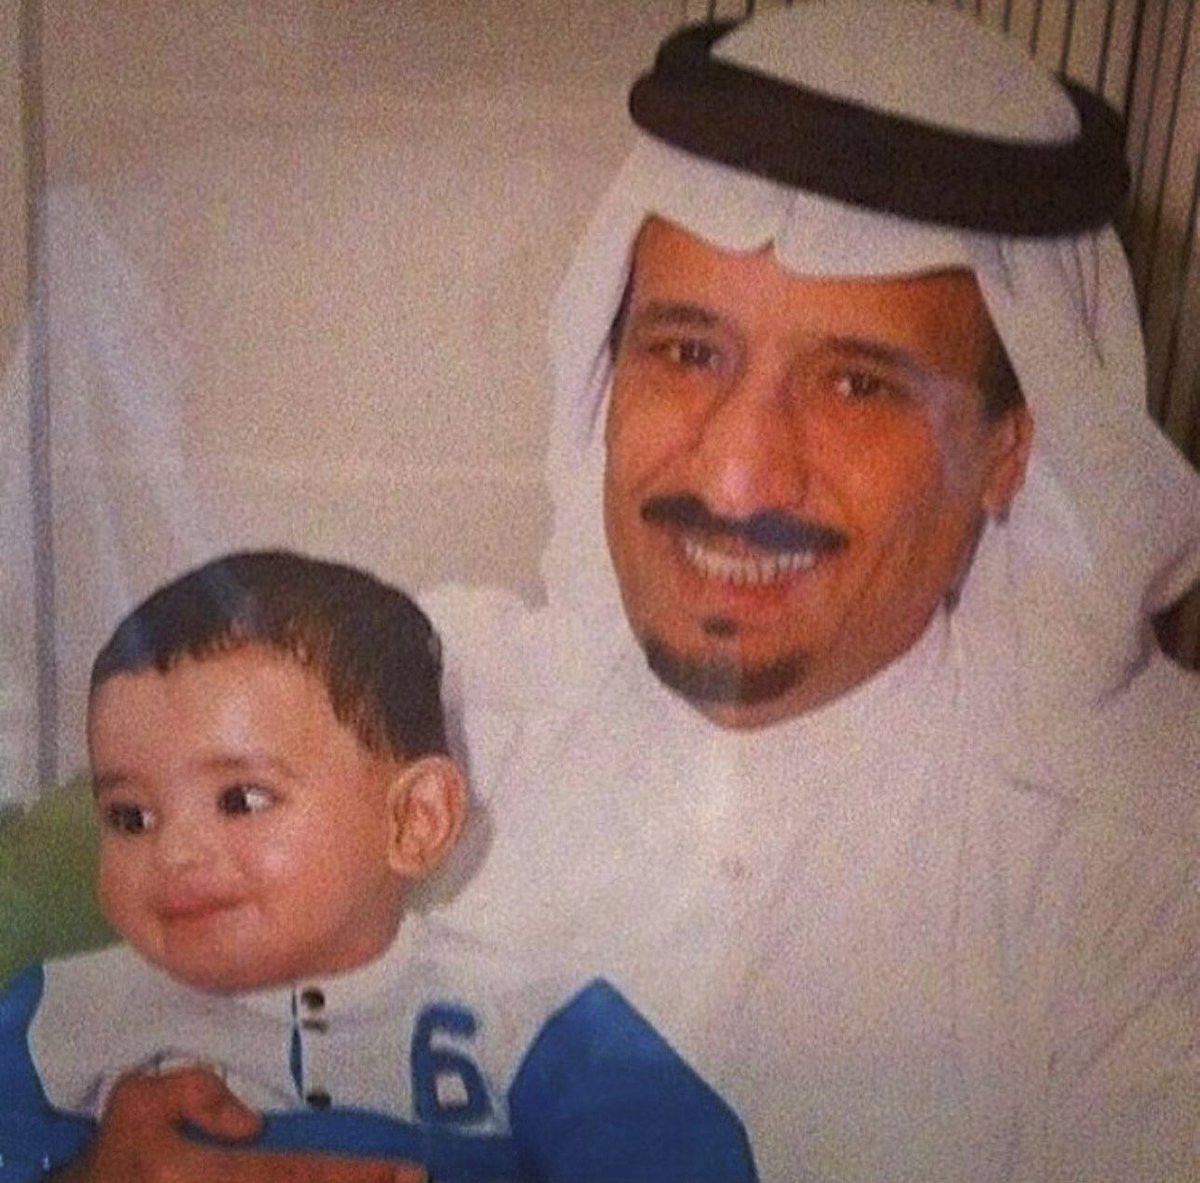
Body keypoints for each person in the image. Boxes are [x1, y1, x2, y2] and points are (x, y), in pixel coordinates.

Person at [18, 2, 1200, 1180]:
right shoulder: (397, 695)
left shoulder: (1144, 864)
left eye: (856, 386)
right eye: (687, 352)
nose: (736, 477)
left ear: (1006, 450)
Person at [0, 551, 755, 1183]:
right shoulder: (60, 1013)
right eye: (130, 816)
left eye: (242, 798)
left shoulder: (525, 1019)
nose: (174, 852)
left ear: (414, 820)